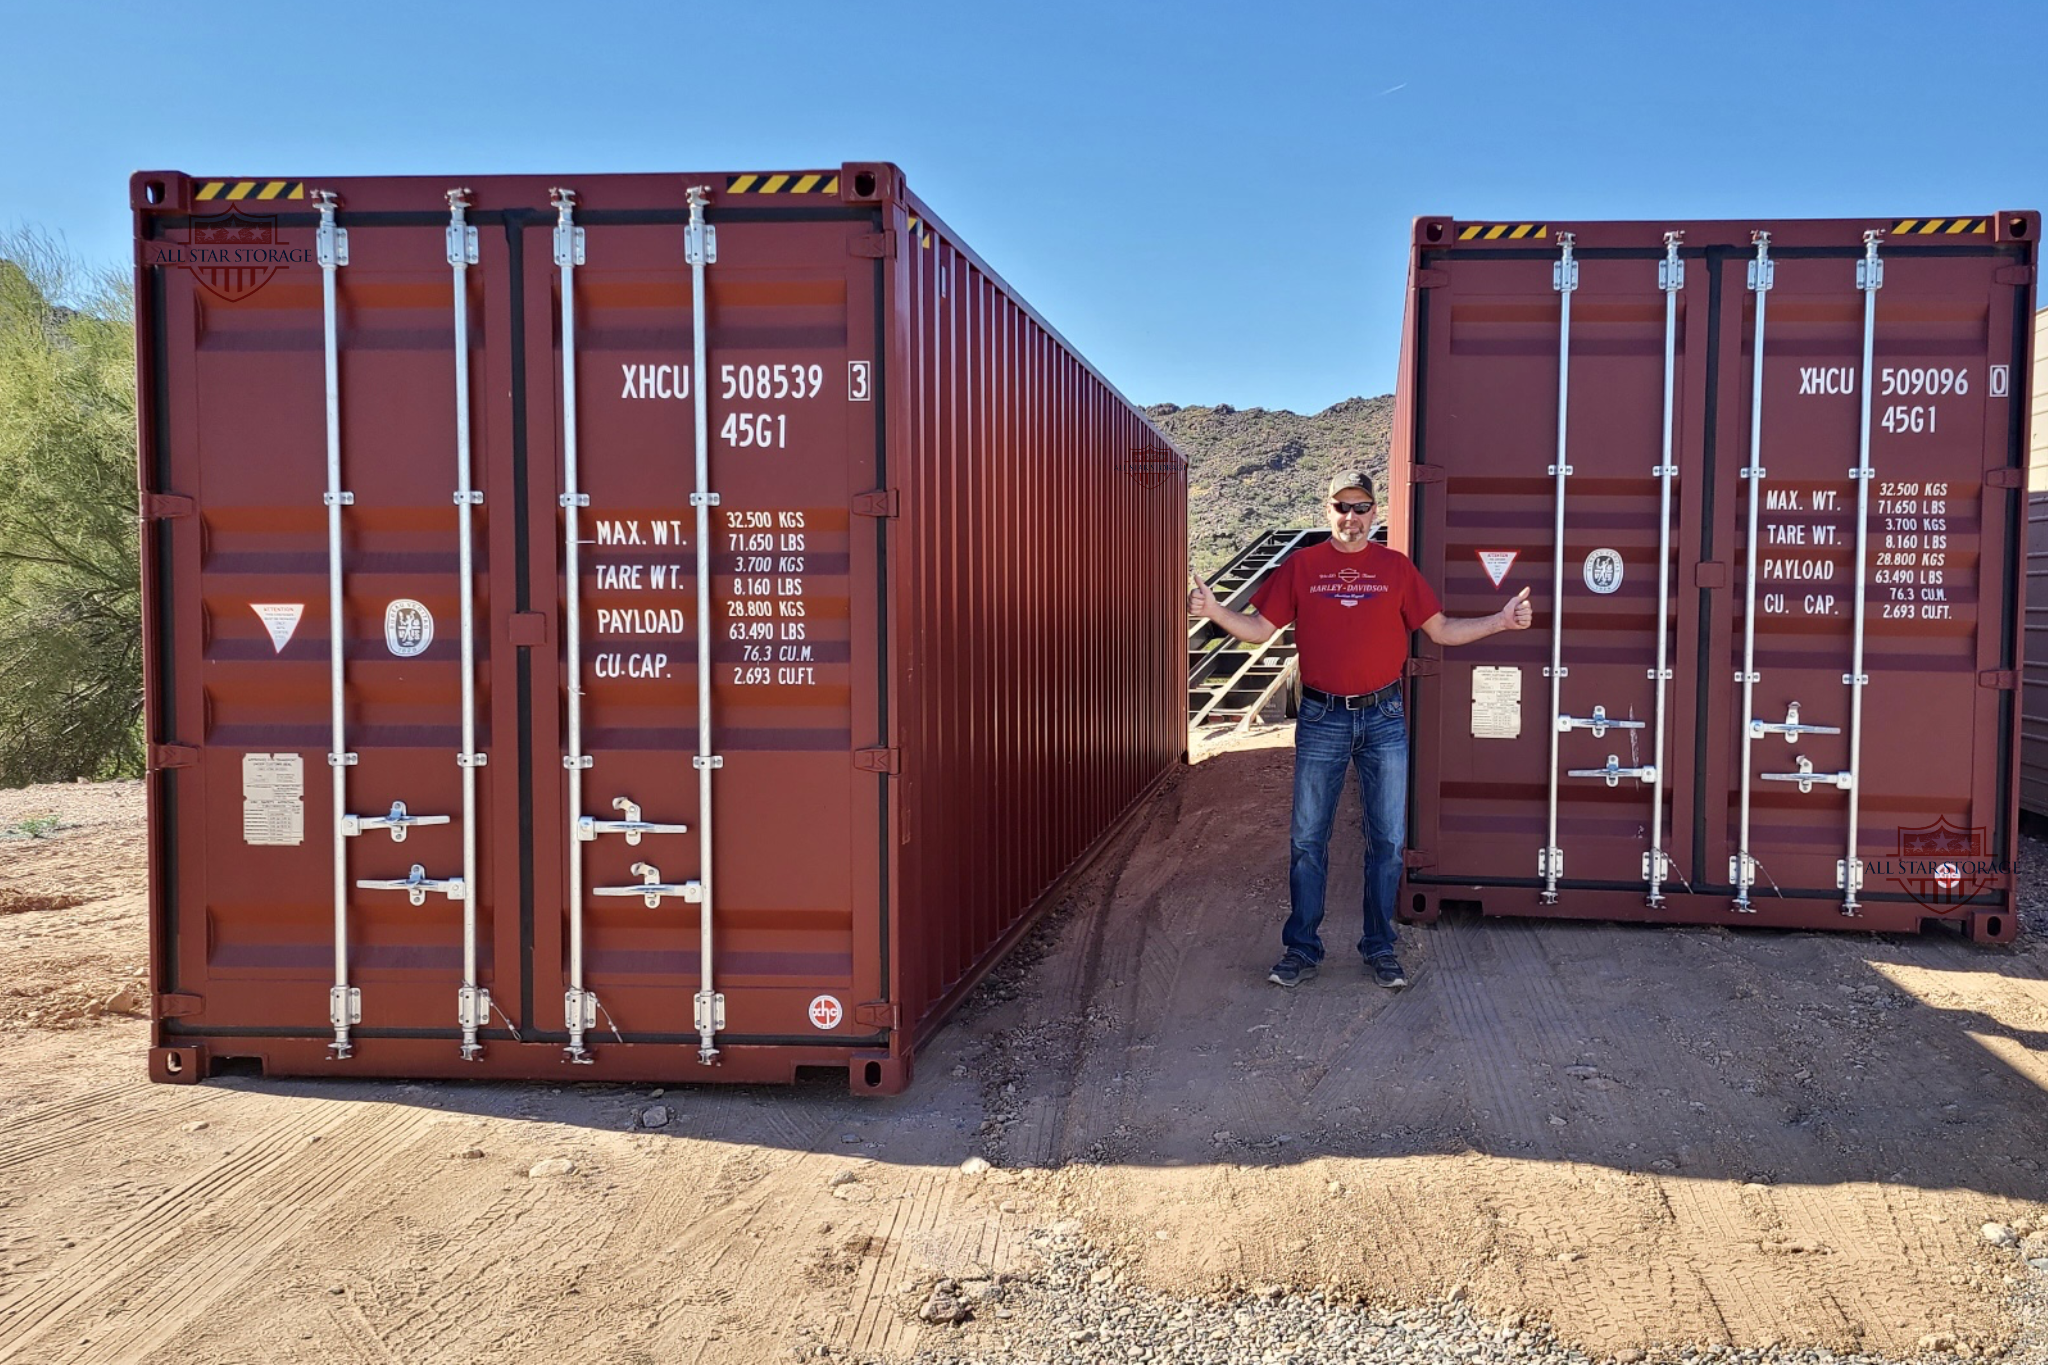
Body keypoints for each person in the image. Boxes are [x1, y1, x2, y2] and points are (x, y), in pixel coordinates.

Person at [1188, 469, 1532, 990]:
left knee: (1388, 841)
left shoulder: (1396, 568)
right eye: (1341, 507)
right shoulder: (1302, 566)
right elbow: (1260, 629)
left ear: (1375, 512)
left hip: (1383, 717)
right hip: (1323, 717)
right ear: (1327, 510)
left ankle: (1379, 947)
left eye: (1361, 507)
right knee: (1308, 839)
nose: (1351, 517)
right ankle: (1301, 949)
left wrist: (1499, 621)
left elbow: (1440, 630)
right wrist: (1215, 610)